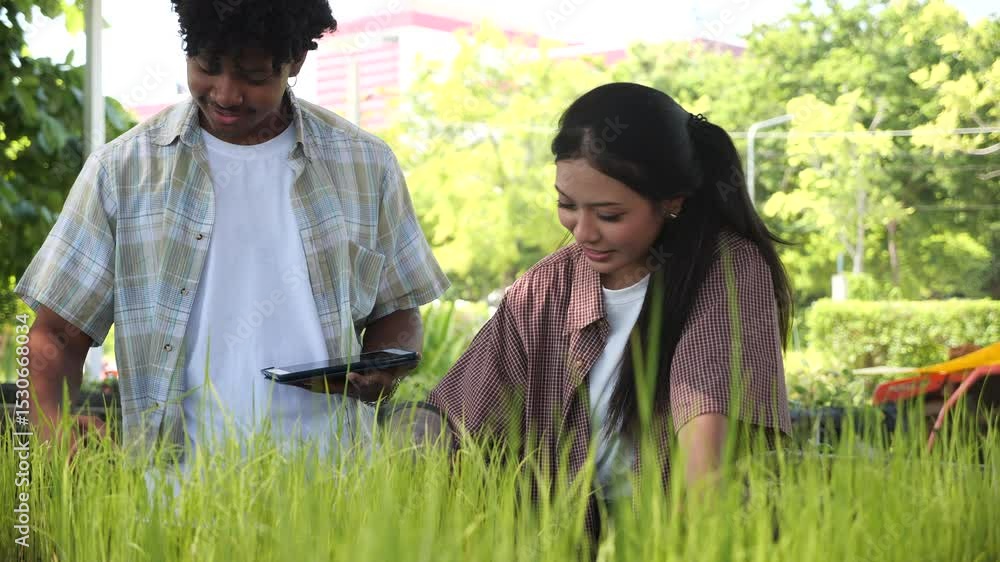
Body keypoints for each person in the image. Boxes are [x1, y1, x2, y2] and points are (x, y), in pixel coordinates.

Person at [18, 0, 449, 463]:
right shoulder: (121, 172)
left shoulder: (365, 165)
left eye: (253, 76)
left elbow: (398, 314)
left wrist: (384, 368)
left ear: (295, 61)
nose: (225, 94)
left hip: (335, 489)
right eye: (207, 67)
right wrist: (51, 430)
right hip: (169, 493)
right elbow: (54, 335)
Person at [407, 82, 793, 530]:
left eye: (609, 215)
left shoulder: (727, 270)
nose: (583, 232)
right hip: (561, 537)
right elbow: (455, 419)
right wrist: (404, 448)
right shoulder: (546, 286)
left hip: (668, 533)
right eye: (567, 205)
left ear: (672, 201)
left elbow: (706, 461)